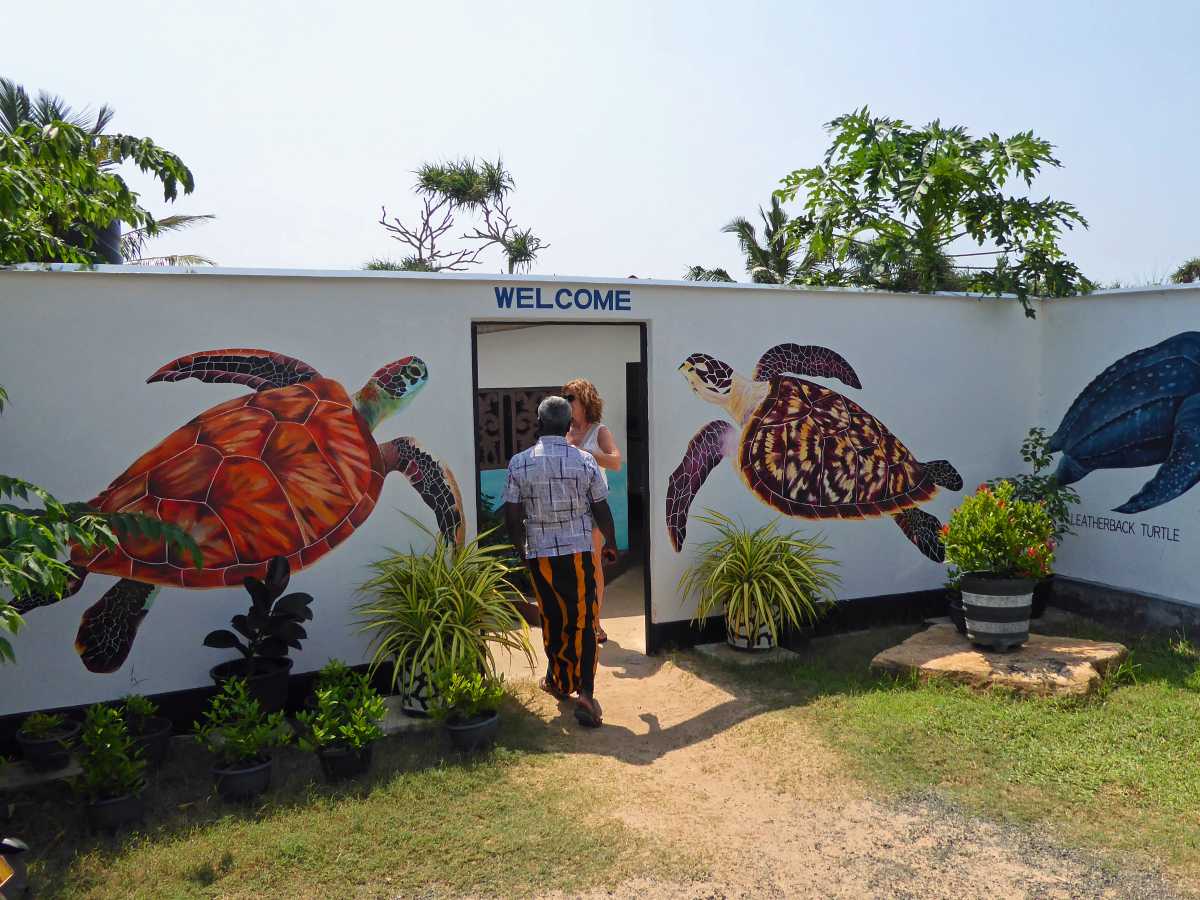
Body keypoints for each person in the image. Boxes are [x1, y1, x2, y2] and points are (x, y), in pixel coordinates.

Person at [504, 396, 618, 728]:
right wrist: (610, 543)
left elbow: (512, 514)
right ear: (569, 426)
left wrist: (521, 550)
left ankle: (558, 680)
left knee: (553, 618)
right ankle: (586, 693)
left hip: (540, 555)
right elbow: (600, 508)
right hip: (579, 553)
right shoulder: (585, 461)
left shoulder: (519, 463)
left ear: (539, 424)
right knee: (583, 619)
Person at [562, 378, 623, 644]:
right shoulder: (563, 432)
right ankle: (579, 620)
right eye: (564, 397)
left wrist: (583, 453)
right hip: (568, 508)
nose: (566, 402)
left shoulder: (599, 431)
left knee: (594, 565)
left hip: (593, 507)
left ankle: (595, 623)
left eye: (571, 397)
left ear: (585, 401)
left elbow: (616, 462)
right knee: (572, 567)